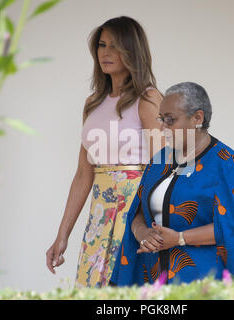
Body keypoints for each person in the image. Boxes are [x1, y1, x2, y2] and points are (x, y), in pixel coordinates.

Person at [109, 82, 234, 286]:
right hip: (154, 280)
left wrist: (180, 238)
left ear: (198, 118)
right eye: (161, 119)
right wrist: (141, 232)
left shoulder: (225, 163)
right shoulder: (159, 160)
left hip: (204, 284)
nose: (163, 128)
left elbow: (233, 227)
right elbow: (138, 211)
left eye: (170, 120)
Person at [45, 16, 164, 288]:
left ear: (132, 51)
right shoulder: (92, 103)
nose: (105, 52)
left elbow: (162, 169)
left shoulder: (147, 98)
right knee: (93, 292)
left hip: (136, 214)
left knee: (130, 292)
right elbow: (82, 176)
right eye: (101, 45)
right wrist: (62, 235)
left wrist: (147, 224)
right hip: (99, 216)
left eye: (115, 46)